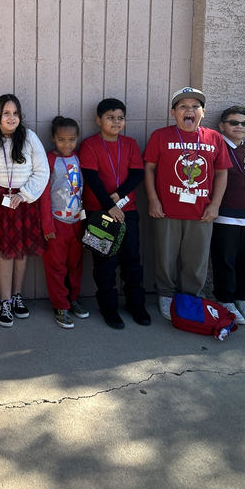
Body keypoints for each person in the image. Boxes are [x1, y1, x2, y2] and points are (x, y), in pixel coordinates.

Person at [143, 87, 231, 321]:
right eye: (183, 106)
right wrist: (153, 200)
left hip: (201, 212)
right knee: (165, 256)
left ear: (202, 112)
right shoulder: (160, 136)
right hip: (167, 211)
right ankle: (166, 294)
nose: (189, 110)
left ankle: (191, 296)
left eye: (195, 106)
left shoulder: (214, 138)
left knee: (196, 259)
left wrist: (215, 205)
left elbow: (222, 173)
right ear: (174, 113)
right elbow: (149, 169)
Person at [0, 94, 50, 328]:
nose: (11, 117)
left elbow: (42, 171)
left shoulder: (29, 138)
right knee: (4, 253)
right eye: (6, 113)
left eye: (15, 113)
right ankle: (5, 301)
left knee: (21, 252)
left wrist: (25, 195)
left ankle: (18, 296)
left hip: (25, 200)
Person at [78, 98, 150, 328]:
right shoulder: (89, 145)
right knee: (104, 264)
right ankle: (109, 309)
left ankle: (136, 305)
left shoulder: (130, 144)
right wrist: (109, 206)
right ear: (99, 120)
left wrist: (118, 197)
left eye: (120, 118)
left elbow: (137, 174)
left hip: (127, 212)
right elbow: (91, 178)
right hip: (98, 213)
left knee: (132, 261)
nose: (116, 122)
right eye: (110, 117)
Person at [210, 105, 245, 325]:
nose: (239, 126)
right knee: (225, 259)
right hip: (225, 215)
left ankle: (244, 297)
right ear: (222, 125)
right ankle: (226, 298)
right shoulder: (215, 148)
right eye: (234, 122)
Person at [37, 116, 86, 329]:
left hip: (77, 222)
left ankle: (73, 298)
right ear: (53, 138)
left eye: (72, 140)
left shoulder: (79, 157)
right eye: (62, 140)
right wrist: (47, 225)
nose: (67, 144)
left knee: (75, 264)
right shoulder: (48, 160)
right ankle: (61, 305)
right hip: (57, 224)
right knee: (56, 267)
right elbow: (44, 195)